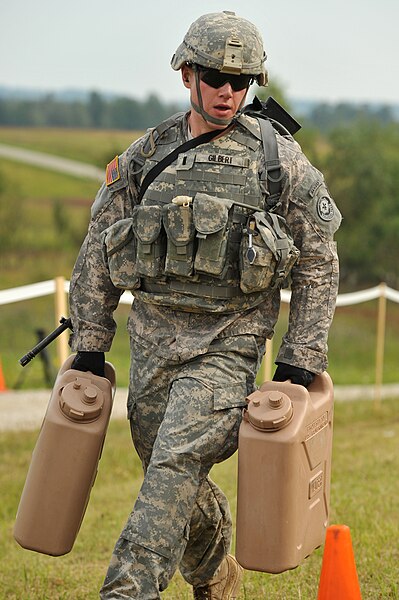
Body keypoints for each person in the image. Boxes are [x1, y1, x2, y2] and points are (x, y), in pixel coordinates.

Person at [68, 10, 341, 600]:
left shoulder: (276, 160)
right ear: (186, 73)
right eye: (216, 76)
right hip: (153, 349)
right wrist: (89, 345)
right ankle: (217, 573)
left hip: (229, 347)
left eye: (241, 81)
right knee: (170, 474)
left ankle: (127, 589)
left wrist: (300, 359)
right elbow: (98, 248)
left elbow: (319, 256)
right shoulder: (147, 156)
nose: (228, 91)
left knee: (172, 465)